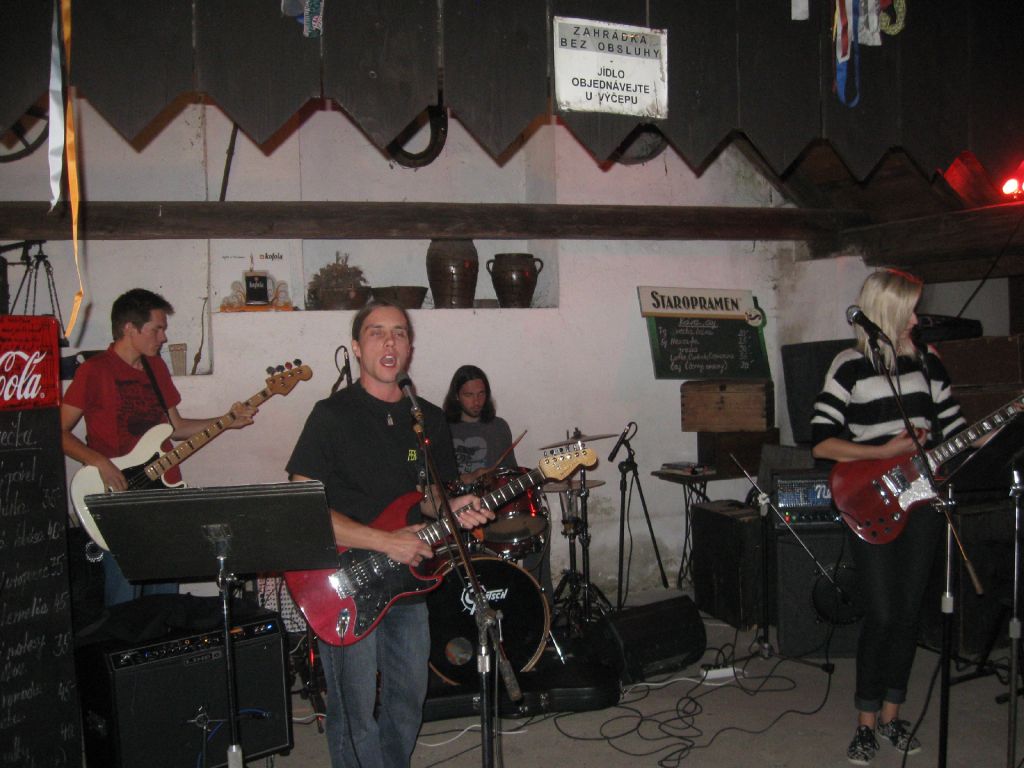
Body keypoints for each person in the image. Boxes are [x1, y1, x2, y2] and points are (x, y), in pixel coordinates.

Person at [286, 300, 491, 768]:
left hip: (407, 578)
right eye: (376, 332)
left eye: (399, 332)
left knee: (408, 698)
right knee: (354, 709)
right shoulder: (331, 415)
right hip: (343, 580)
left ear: (409, 348)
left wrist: (453, 505)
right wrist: (385, 540)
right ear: (357, 347)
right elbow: (302, 506)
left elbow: (429, 495)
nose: (389, 341)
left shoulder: (427, 417)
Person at [811, 269, 967, 765]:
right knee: (880, 612)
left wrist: (993, 430)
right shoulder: (849, 366)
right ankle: (865, 722)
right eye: (910, 310)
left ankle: (892, 715)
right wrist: (883, 450)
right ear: (887, 312)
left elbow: (955, 428)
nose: (917, 319)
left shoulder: (928, 363)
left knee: (907, 612)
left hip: (922, 499)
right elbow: (821, 441)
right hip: (871, 499)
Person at [61, 288, 258, 608]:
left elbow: (175, 427)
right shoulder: (94, 371)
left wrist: (226, 421)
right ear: (129, 328)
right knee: (124, 599)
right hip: (117, 495)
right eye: (157, 329)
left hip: (163, 491)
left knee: (165, 598)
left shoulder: (156, 368)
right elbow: (58, 432)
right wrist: (100, 462)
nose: (163, 337)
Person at [443, 364, 554, 604]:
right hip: (460, 515)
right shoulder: (443, 428)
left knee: (539, 529)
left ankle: (540, 606)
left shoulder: (498, 426)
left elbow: (510, 474)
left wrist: (534, 479)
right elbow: (437, 482)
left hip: (494, 511)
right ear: (456, 396)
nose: (476, 401)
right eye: (469, 395)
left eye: (481, 394)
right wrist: (471, 476)